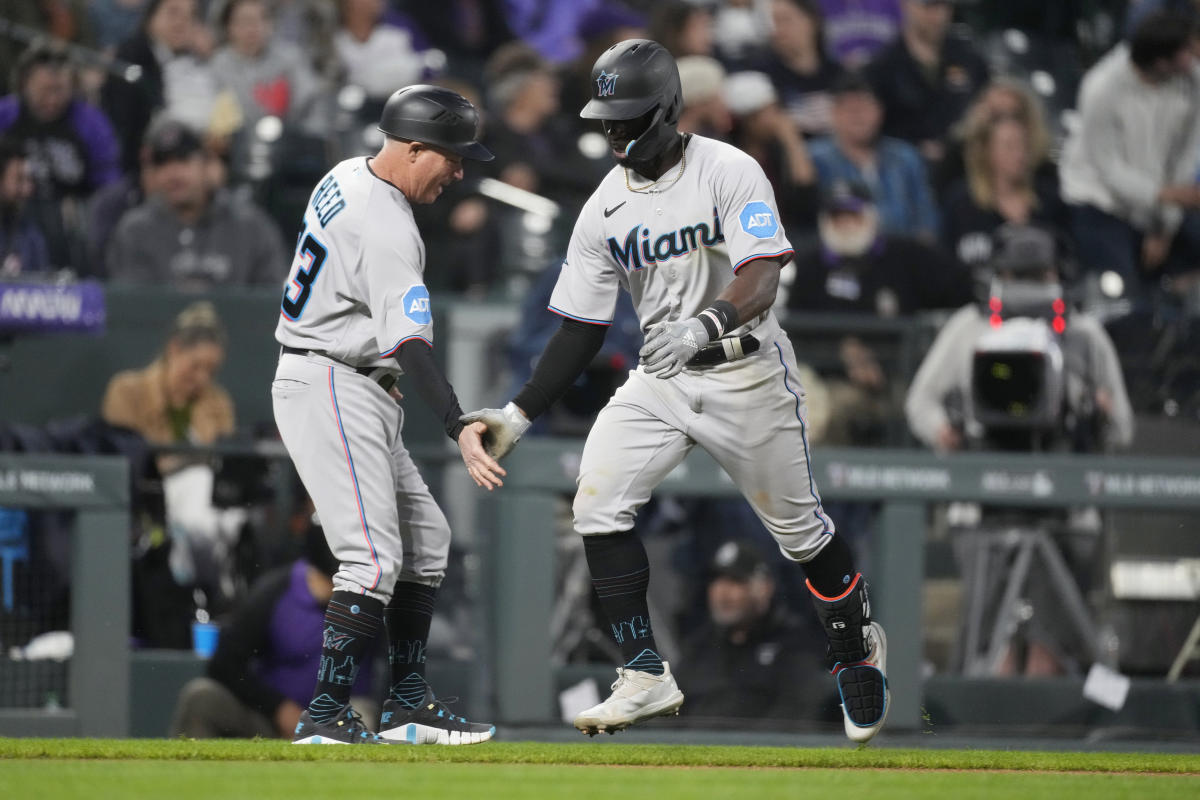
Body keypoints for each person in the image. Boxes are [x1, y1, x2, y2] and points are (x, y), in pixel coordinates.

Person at [462, 39, 889, 744]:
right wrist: (517, 412)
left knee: (803, 535)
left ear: (666, 110)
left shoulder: (728, 168)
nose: (615, 132)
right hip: (663, 375)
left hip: (745, 368)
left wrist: (706, 323)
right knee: (597, 500)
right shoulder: (604, 207)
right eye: (608, 118)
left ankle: (854, 649)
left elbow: (762, 276)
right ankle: (643, 672)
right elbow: (577, 329)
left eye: (629, 117)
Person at [271, 84, 504, 745]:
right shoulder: (388, 224)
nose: (459, 171)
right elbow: (408, 341)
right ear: (414, 148)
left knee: (426, 539)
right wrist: (458, 424)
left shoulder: (347, 172)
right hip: (330, 378)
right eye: (452, 157)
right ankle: (325, 716)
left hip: (348, 375)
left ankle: (405, 705)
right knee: (370, 559)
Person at [169, 522, 379, 739]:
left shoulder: (372, 596)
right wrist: (278, 707)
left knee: (363, 713)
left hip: (342, 718)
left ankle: (348, 772)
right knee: (201, 697)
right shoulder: (276, 591)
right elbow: (224, 664)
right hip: (272, 721)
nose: (336, 592)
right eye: (331, 582)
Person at [1059, 11, 1200, 299]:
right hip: (1100, 204)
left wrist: (1165, 227)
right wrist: (1166, 196)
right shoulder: (1101, 88)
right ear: (1162, 62)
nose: (1194, 57)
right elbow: (1108, 169)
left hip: (1156, 209)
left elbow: (1184, 157)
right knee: (1122, 292)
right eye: (1187, 51)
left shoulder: (1193, 82)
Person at [106, 117, 288, 288]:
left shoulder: (251, 227)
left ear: (207, 165)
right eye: (162, 164)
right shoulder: (136, 230)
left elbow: (270, 301)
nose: (173, 173)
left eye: (183, 159)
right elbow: (131, 309)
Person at [678, 540, 831, 724]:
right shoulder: (699, 647)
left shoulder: (793, 645)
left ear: (764, 588)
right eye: (717, 581)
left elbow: (798, 715)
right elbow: (668, 717)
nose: (723, 593)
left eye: (736, 581)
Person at [808, 71, 939, 239]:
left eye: (864, 107)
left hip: (904, 254)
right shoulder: (814, 159)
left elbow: (926, 217)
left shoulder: (905, 156)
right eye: (849, 109)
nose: (858, 116)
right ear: (834, 114)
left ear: (879, 111)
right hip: (841, 254)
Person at [941, 106, 1067, 276]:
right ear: (986, 151)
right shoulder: (961, 204)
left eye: (1023, 146)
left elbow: (1071, 263)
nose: (1019, 155)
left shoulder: (1049, 200)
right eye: (1009, 146)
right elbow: (947, 265)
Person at [865, 0, 989, 167]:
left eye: (945, 6)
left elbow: (985, 109)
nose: (939, 16)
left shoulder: (970, 59)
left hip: (963, 167)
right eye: (929, 6)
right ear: (906, 5)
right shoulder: (882, 67)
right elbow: (873, 131)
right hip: (903, 169)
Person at [0, 141, 51, 277]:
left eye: (29, 180)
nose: (28, 189)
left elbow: (43, 287)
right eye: (19, 179)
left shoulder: (29, 233)